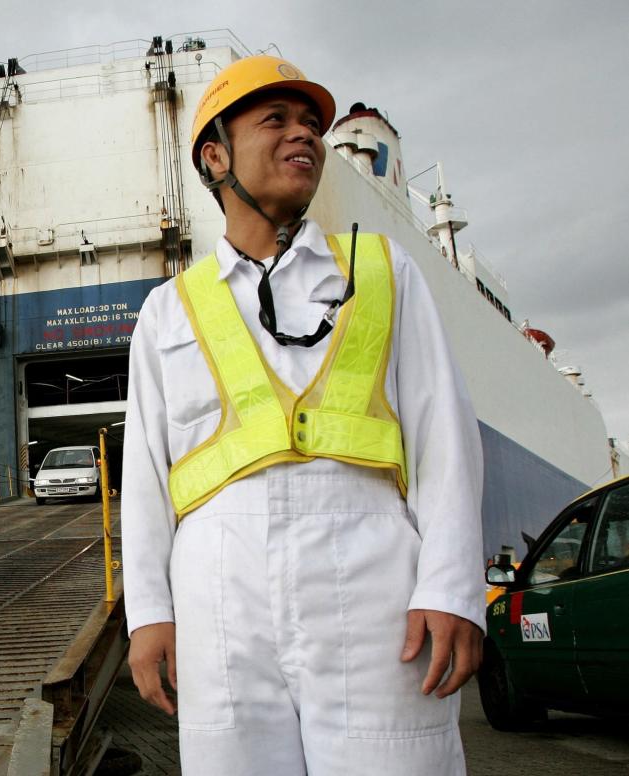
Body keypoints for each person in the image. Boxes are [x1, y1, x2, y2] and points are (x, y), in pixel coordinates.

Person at [121, 55, 484, 775]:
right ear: (215, 156)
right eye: (276, 120)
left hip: (372, 579)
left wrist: (450, 588)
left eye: (312, 124)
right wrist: (148, 616)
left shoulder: (382, 273)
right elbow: (144, 479)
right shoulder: (168, 309)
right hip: (218, 599)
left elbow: (443, 434)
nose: (305, 136)